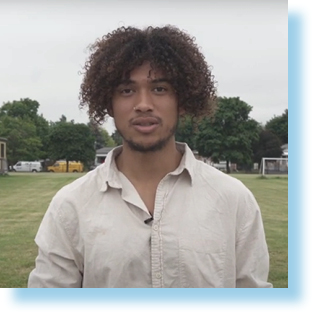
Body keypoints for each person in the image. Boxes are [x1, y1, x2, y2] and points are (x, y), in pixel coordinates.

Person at [28, 25, 272, 288]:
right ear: (108, 103)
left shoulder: (234, 200)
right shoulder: (71, 206)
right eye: (126, 90)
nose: (143, 104)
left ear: (183, 99)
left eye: (159, 89)